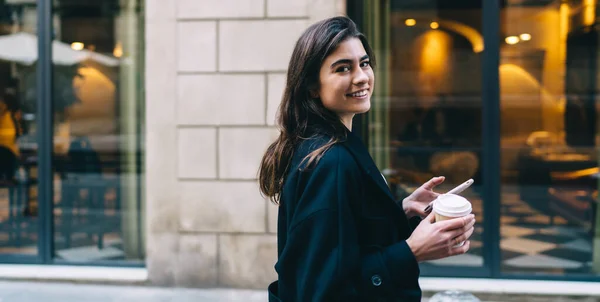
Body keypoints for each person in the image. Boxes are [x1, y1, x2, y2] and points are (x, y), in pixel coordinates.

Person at [258, 16, 476, 302]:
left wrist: (401, 211)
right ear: (312, 85)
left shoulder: (327, 144)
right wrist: (411, 251)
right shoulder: (331, 160)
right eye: (343, 68)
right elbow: (322, 292)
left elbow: (344, 241)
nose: (361, 77)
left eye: (364, 63)